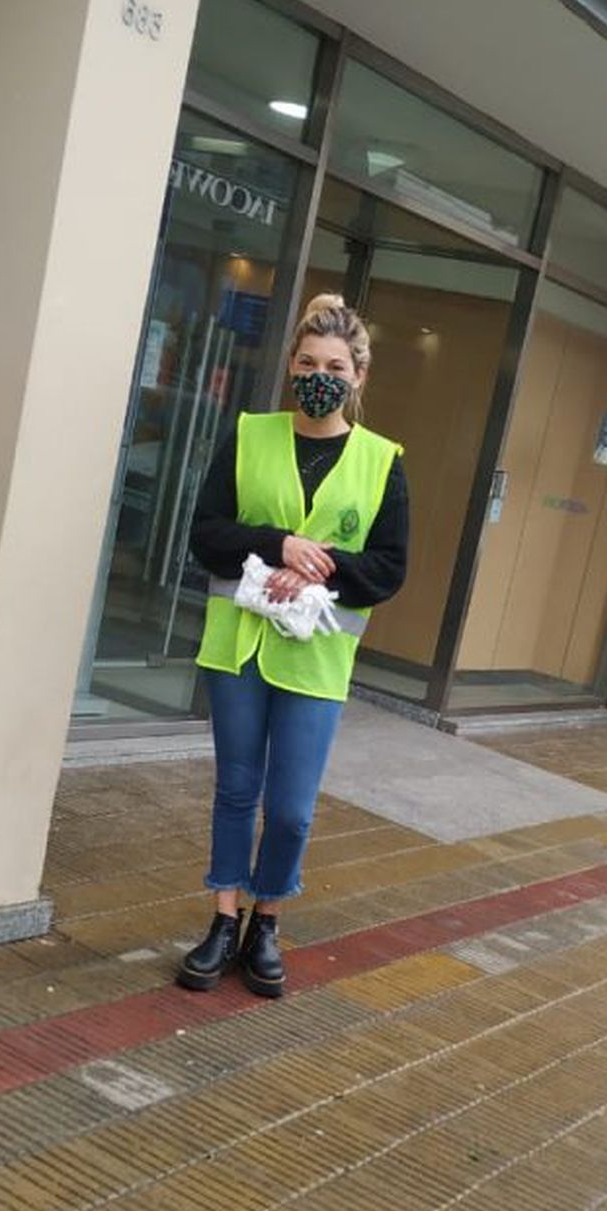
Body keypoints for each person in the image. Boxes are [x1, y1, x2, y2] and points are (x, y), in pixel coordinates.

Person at [176, 292, 408, 997]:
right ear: (290, 367)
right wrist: (276, 544)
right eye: (307, 362)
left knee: (292, 808)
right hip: (240, 650)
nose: (319, 374)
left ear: (358, 376)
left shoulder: (381, 461)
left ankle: (267, 919)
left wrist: (315, 568)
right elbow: (205, 532)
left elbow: (390, 568)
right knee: (237, 790)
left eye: (334, 365)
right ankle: (222, 918)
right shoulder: (249, 436)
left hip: (316, 660)